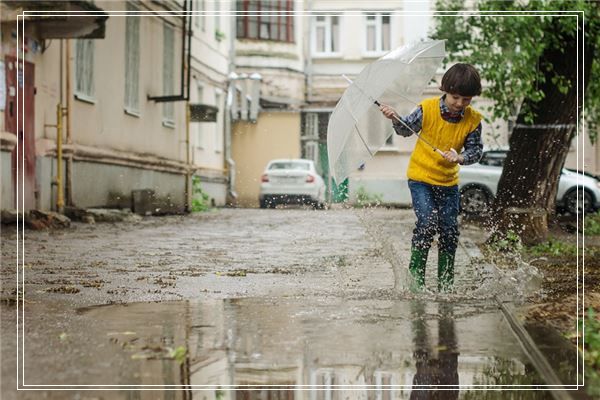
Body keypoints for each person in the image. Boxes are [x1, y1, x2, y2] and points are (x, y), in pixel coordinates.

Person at [380, 63, 484, 292]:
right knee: (427, 223)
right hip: (421, 179)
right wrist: (395, 118)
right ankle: (416, 283)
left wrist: (461, 157)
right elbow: (405, 130)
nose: (460, 104)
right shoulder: (426, 109)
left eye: (466, 99)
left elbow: (476, 151)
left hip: (448, 182)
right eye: (455, 97)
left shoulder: (473, 120)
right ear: (444, 89)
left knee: (449, 230)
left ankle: (445, 285)